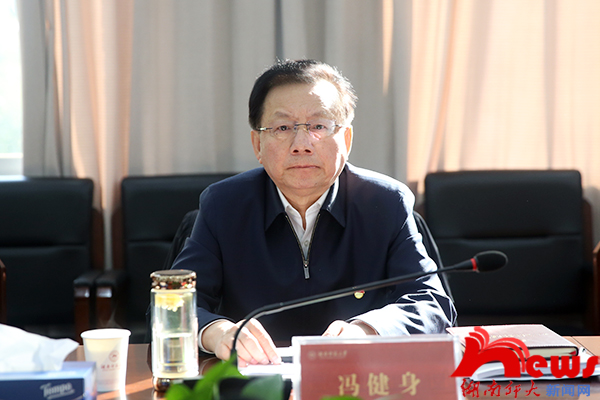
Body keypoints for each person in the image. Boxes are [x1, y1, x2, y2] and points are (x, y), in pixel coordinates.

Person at [171, 59, 456, 366]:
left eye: (318, 126)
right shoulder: (223, 205)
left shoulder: (386, 203)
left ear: (346, 139)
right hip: (254, 379)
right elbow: (173, 306)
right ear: (258, 144)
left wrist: (365, 331)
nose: (302, 144)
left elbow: (432, 303)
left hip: (358, 377)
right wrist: (218, 332)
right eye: (283, 128)